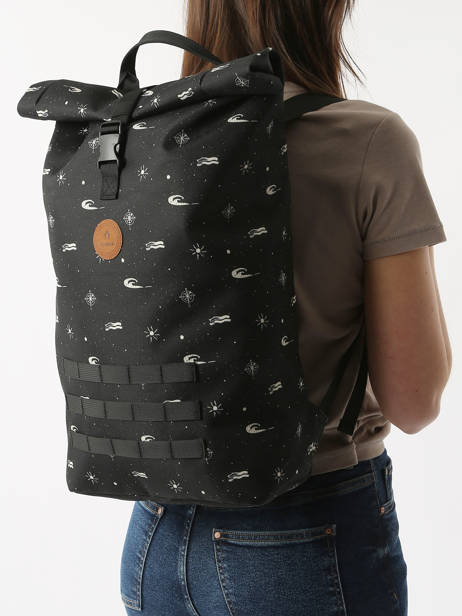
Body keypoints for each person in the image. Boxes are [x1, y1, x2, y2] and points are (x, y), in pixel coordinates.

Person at [120, 2, 452, 614]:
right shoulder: (369, 140)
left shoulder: (142, 132)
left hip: (155, 537)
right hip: (306, 530)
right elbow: (415, 400)